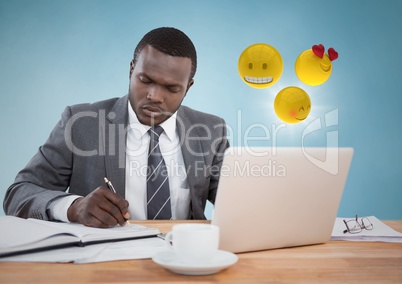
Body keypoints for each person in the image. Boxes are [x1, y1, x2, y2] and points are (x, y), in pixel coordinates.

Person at [3, 27, 229, 228]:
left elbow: (236, 202)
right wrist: (74, 207)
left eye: (171, 88)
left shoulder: (211, 130)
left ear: (188, 87)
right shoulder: (80, 124)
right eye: (145, 80)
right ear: (132, 70)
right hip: (105, 263)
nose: (155, 96)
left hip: (185, 260)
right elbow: (18, 194)